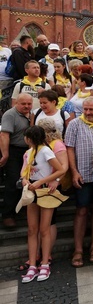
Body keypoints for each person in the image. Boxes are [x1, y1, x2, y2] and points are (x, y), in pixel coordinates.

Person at [20, 126, 65, 283]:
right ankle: (32, 264)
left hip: (45, 190)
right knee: (32, 229)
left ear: (29, 138)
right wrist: (25, 179)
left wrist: (41, 181)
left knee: (44, 229)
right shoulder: (28, 152)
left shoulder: (45, 151)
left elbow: (60, 169)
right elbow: (24, 170)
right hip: (32, 189)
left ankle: (45, 262)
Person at [64, 96, 93, 268]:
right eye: (85, 109)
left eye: (91, 110)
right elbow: (69, 149)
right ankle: (78, 250)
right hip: (83, 174)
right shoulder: (74, 124)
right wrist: (74, 172)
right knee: (81, 210)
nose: (87, 112)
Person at [0, 93, 32, 229]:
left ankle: (21, 210)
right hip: (14, 151)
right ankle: (8, 216)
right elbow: (4, 135)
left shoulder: (32, 114)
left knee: (26, 181)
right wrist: (5, 154)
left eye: (29, 104)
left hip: (28, 152)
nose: (26, 106)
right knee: (13, 182)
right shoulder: (10, 114)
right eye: (23, 104)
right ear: (16, 103)